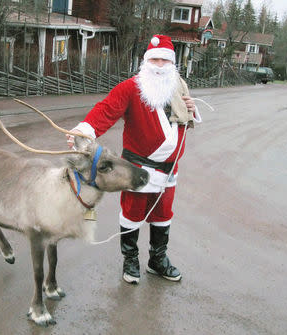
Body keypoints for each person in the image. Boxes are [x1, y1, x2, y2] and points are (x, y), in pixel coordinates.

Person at [67, 35, 201, 284]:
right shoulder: (130, 88)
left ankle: (157, 261)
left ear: (172, 64)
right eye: (154, 59)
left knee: (163, 215)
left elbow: (183, 120)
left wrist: (191, 108)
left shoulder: (178, 87)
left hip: (170, 171)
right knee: (132, 214)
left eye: (165, 60)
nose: (159, 65)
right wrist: (85, 131)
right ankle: (130, 261)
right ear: (145, 62)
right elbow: (106, 110)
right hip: (138, 168)